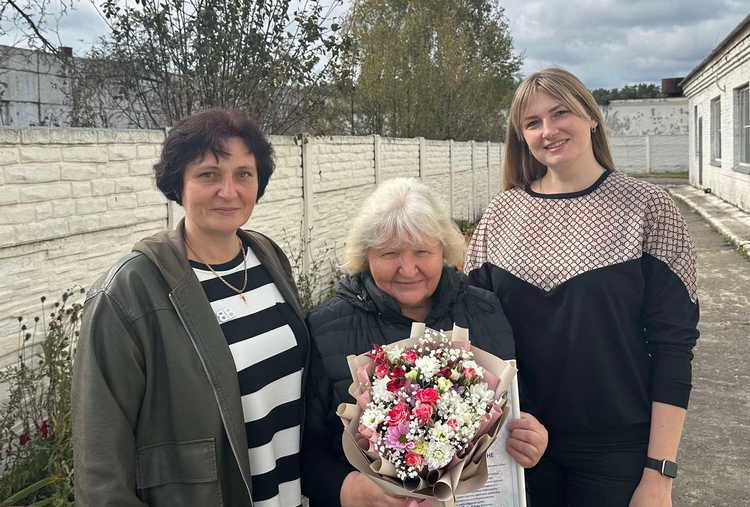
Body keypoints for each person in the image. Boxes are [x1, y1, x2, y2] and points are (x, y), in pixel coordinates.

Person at [464, 68, 699, 507]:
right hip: (518, 447)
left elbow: (674, 347)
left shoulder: (648, 208)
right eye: (532, 122)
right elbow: (470, 339)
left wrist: (660, 474)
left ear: (591, 117)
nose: (548, 130)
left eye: (560, 113)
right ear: (522, 137)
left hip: (617, 454)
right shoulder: (499, 216)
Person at [72, 109, 309, 507]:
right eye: (208, 175)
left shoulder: (268, 258)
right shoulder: (129, 292)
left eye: (243, 174)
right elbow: (100, 468)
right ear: (177, 183)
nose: (228, 191)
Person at [302, 177, 548, 507]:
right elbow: (304, 450)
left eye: (422, 251)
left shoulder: (486, 311)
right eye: (390, 253)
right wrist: (347, 490)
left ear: (443, 250)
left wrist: (532, 439)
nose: (408, 269)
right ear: (365, 254)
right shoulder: (325, 328)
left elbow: (520, 408)